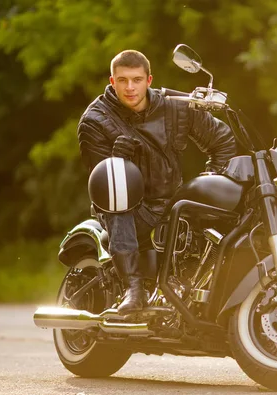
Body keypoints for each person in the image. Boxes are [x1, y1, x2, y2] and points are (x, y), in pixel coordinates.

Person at [77, 49, 236, 315]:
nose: (130, 87)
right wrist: (117, 158)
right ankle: (133, 289)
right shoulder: (95, 120)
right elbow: (104, 183)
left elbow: (222, 139)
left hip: (171, 200)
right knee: (119, 201)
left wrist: (213, 178)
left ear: (149, 80)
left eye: (137, 79)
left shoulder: (175, 107)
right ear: (112, 80)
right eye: (123, 80)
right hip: (127, 207)